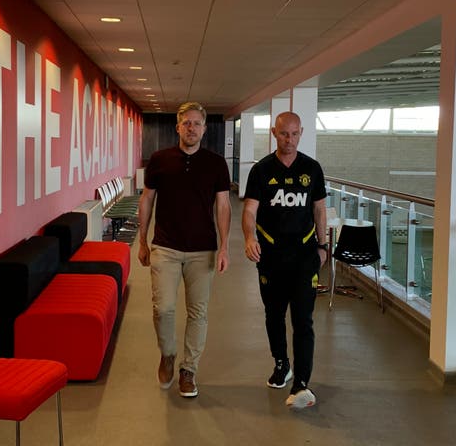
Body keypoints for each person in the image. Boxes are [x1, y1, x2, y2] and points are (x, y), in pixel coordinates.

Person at [138, 101, 231, 398]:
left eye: (197, 123)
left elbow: (223, 205)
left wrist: (225, 246)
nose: (191, 128)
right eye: (186, 123)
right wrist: (142, 240)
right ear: (177, 127)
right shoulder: (160, 159)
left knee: (198, 313)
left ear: (204, 128)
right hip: (165, 246)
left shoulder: (216, 163)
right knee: (163, 307)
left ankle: (188, 370)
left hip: (202, 249)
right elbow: (147, 200)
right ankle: (167, 354)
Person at [242, 111, 327, 409]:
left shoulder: (312, 169)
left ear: (301, 133)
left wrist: (323, 246)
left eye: (293, 134)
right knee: (274, 314)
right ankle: (282, 364)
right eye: (282, 134)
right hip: (271, 255)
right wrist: (250, 237)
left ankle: (302, 383)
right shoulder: (262, 170)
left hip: (304, 256)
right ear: (273, 133)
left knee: (303, 319)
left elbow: (319, 210)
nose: (288, 140)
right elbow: (250, 210)